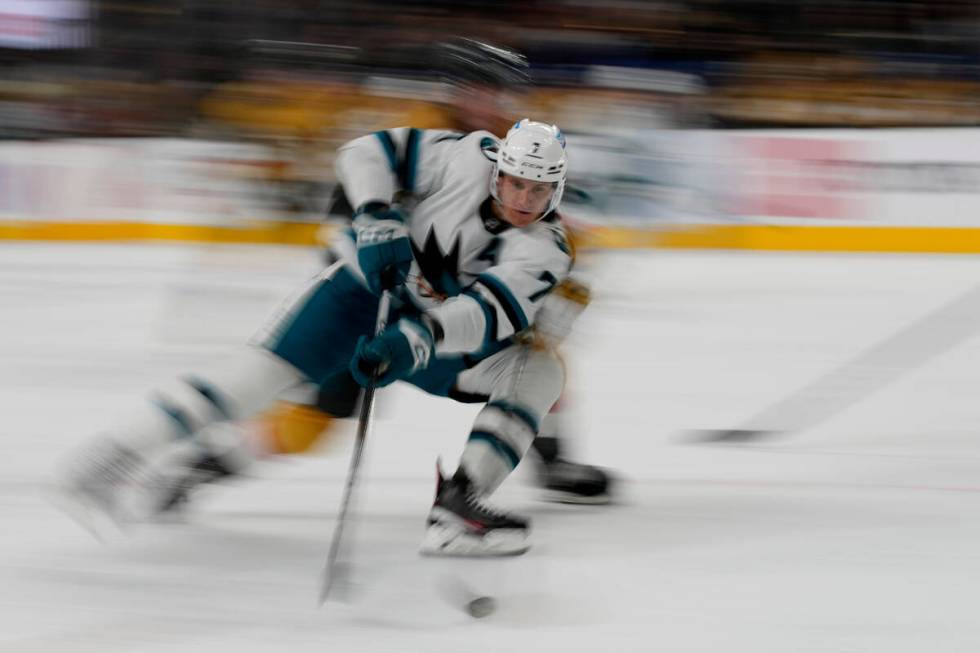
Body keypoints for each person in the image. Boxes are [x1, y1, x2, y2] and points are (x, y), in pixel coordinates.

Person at [60, 118, 583, 556]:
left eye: (538, 189)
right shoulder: (467, 154)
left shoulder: (547, 248)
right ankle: (117, 454)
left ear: (555, 190)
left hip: (428, 337)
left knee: (541, 368)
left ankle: (459, 505)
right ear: (499, 170)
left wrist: (415, 341)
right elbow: (364, 151)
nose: (523, 197)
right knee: (256, 384)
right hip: (359, 294)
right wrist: (374, 214)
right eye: (516, 182)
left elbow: (488, 313)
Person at [157, 39, 612, 513]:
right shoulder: (425, 137)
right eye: (477, 89)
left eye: (496, 91)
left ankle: (550, 460)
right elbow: (345, 215)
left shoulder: (513, 147)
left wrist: (566, 280)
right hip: (377, 304)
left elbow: (549, 229)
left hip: (449, 314)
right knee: (314, 418)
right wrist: (374, 274)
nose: (487, 101)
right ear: (455, 92)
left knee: (536, 357)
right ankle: (208, 465)